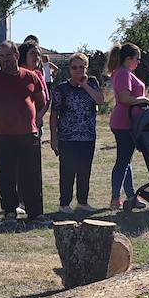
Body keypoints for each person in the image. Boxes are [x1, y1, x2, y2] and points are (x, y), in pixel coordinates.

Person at [0, 41, 48, 224]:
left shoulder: (30, 77)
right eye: (1, 56)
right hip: (2, 136)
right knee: (6, 175)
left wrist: (37, 118)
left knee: (32, 175)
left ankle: (35, 213)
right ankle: (10, 211)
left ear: (17, 56)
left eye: (8, 55)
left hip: (28, 134)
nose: (5, 60)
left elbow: (42, 102)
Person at [51, 51, 109, 214]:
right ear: (69, 69)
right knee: (67, 171)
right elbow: (54, 114)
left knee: (85, 171)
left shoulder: (92, 83)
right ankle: (64, 203)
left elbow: (100, 101)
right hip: (67, 138)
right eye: (74, 67)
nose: (78, 71)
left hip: (87, 136)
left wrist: (84, 85)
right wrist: (54, 138)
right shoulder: (61, 89)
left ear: (86, 68)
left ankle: (82, 201)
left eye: (81, 67)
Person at [107, 42, 149, 209]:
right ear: (128, 59)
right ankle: (115, 199)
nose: (139, 62)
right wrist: (145, 100)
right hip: (123, 122)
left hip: (129, 122)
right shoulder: (123, 73)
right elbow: (125, 98)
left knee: (127, 161)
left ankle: (132, 196)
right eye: (137, 59)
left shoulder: (124, 73)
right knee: (123, 161)